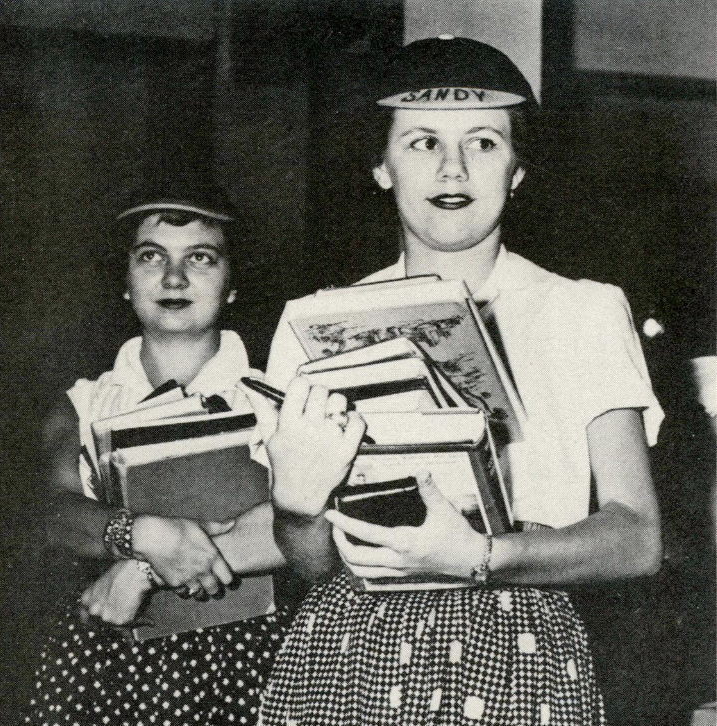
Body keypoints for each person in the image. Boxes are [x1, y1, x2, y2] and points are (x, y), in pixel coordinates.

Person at [243, 37, 664, 726]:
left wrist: (481, 555)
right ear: (381, 166)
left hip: (518, 643)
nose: (453, 167)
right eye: (421, 142)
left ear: (518, 169)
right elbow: (314, 562)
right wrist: (296, 506)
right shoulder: (314, 321)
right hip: (352, 651)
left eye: (485, 142)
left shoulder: (584, 309)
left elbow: (638, 539)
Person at [23, 178, 291, 726]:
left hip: (258, 655)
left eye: (201, 258)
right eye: (151, 257)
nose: (174, 278)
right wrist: (144, 533)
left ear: (232, 282)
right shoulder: (85, 403)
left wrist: (142, 568)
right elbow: (52, 515)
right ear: (125, 279)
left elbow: (303, 523)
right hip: (113, 658)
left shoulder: (278, 396)